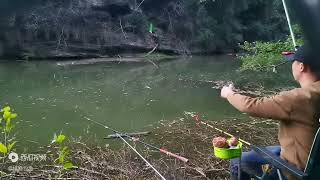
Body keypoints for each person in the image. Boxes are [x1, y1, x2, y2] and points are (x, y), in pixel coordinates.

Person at [220, 46, 320, 180]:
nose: (292, 66)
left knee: (239, 159)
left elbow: (251, 106)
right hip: (314, 165)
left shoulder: (298, 98)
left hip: (295, 171)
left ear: (301, 67)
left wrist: (229, 94)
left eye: (292, 62)